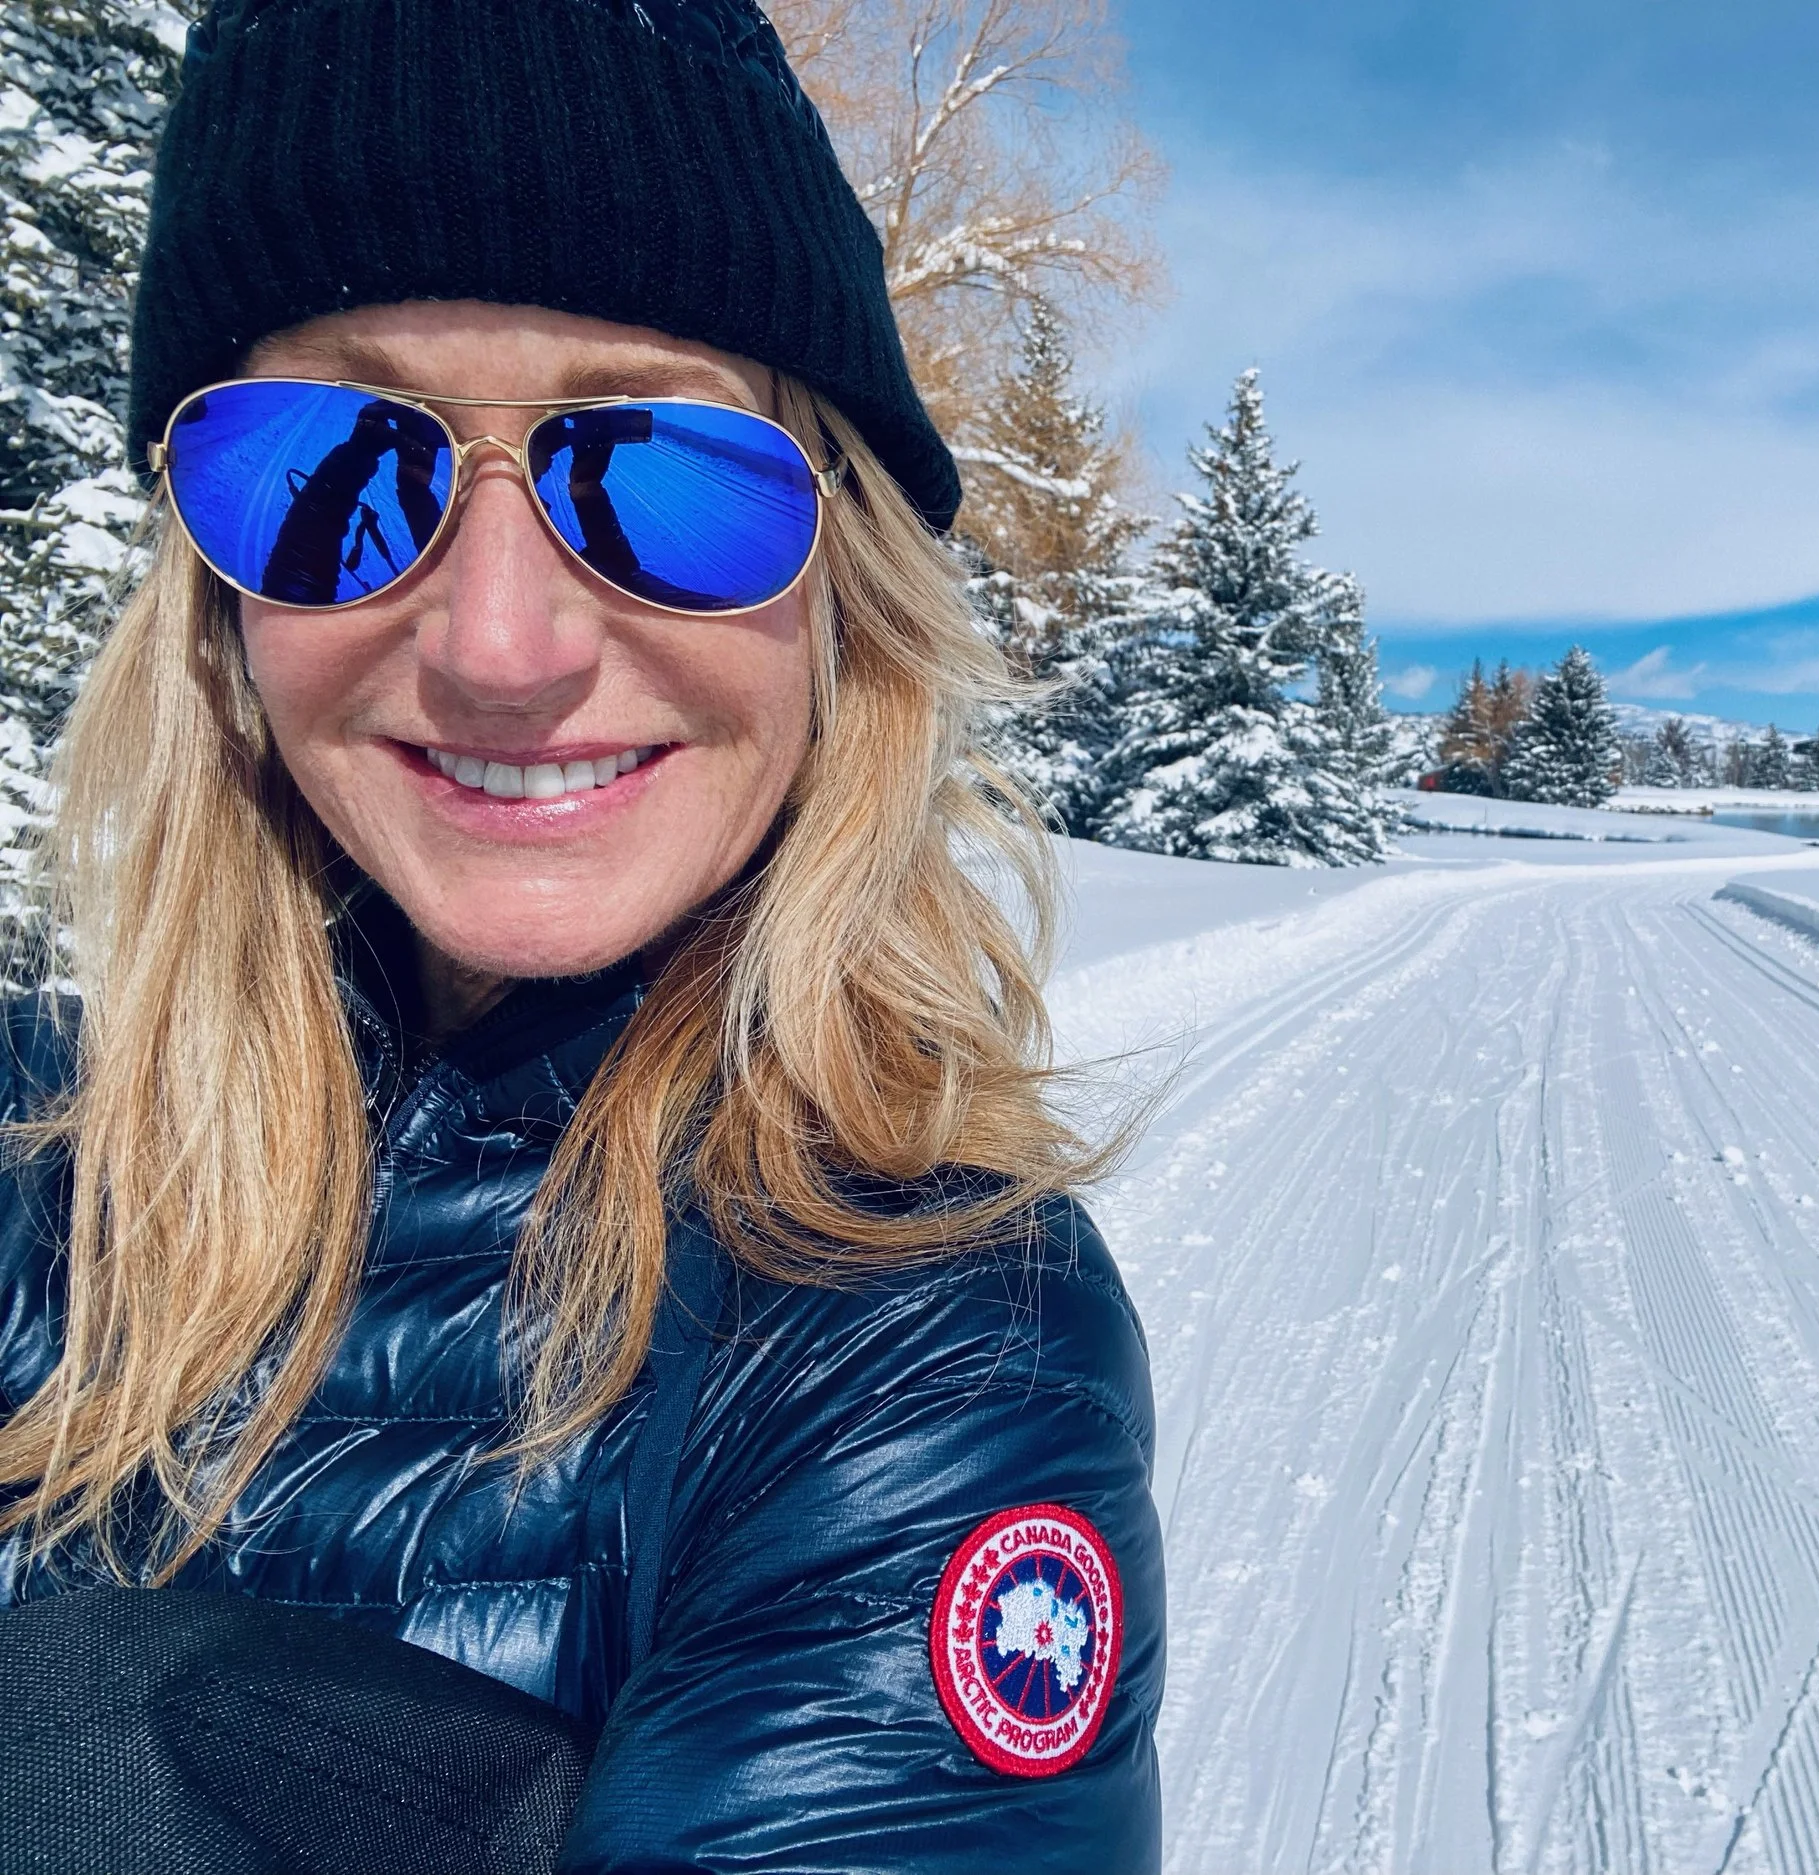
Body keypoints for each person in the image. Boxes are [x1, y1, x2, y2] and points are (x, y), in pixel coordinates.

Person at [0, 1, 1162, 1869]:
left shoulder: (927, 1349)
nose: (498, 646)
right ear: (213, 599)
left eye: (659, 476)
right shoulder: (28, 1159)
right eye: (332, 473)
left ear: (843, 587)